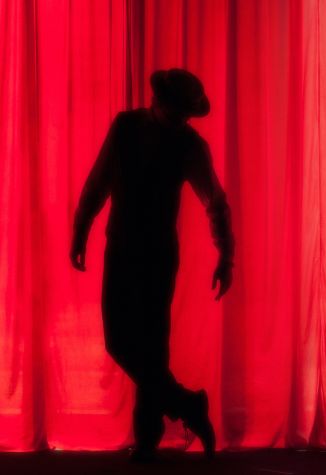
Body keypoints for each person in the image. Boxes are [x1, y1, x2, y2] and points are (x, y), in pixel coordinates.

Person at [70, 69, 233, 463]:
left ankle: (148, 440)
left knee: (150, 348)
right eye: (177, 110)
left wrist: (226, 253)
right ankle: (188, 406)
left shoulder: (188, 144)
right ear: (159, 101)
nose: (181, 119)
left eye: (184, 113)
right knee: (123, 342)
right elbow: (99, 181)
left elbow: (215, 201)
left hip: (156, 251)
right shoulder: (127, 127)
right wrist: (81, 228)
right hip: (126, 246)